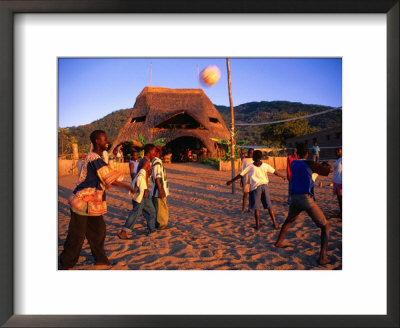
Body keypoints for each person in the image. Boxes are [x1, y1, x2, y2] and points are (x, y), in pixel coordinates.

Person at [60, 130, 134, 270]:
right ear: (96, 140)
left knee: (99, 231)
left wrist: (105, 184)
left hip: (93, 203)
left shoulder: (95, 159)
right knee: (77, 235)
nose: (107, 141)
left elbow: (102, 177)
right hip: (82, 202)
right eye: (104, 139)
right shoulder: (94, 158)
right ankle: (66, 263)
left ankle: (100, 259)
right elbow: (107, 176)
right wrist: (126, 186)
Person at [275, 143, 333, 265]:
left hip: (294, 197)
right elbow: (329, 171)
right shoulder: (310, 164)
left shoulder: (294, 163)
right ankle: (322, 257)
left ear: (297, 153)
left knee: (289, 221)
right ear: (307, 153)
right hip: (305, 199)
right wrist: (327, 165)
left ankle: (278, 242)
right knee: (325, 226)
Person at [226, 150, 286, 230]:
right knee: (269, 207)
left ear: (254, 157)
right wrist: (282, 176)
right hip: (265, 187)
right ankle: (275, 224)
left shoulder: (250, 166)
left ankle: (257, 226)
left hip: (256, 188)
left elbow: (240, 175)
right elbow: (275, 172)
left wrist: (231, 181)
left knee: (256, 208)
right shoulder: (265, 165)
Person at [118, 144, 157, 239]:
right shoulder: (146, 162)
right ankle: (124, 232)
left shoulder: (144, 160)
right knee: (137, 211)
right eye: (154, 152)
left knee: (150, 211)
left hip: (143, 188)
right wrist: (144, 189)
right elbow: (140, 176)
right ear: (149, 152)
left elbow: (143, 174)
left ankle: (152, 230)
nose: (155, 154)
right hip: (142, 189)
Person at [151, 146, 169, 230]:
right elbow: (158, 177)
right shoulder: (157, 161)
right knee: (161, 207)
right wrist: (160, 190)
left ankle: (157, 223)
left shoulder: (154, 161)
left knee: (158, 207)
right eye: (161, 152)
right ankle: (162, 224)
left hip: (156, 189)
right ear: (158, 152)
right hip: (159, 189)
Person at [240, 148, 254, 213]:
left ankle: (249, 208)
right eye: (250, 152)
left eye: (252, 153)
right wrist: (241, 180)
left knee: (251, 195)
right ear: (248, 153)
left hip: (252, 180)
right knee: (245, 195)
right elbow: (242, 170)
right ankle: (243, 208)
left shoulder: (254, 160)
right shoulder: (244, 160)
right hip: (245, 179)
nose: (251, 154)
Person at [333, 147, 342, 218]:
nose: (337, 152)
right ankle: (341, 212)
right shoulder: (337, 160)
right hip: (336, 181)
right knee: (339, 198)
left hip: (340, 181)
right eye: (336, 151)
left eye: (338, 151)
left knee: (341, 198)